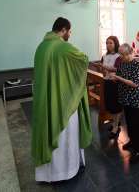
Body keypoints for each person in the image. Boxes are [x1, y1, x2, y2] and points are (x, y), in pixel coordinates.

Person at [32, 17, 92, 182]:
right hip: (64, 101)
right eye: (69, 31)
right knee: (65, 135)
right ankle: (66, 171)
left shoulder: (42, 47)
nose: (70, 34)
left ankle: (47, 174)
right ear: (64, 30)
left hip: (45, 99)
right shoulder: (63, 47)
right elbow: (83, 60)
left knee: (48, 129)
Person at [109, 44, 139, 164]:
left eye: (123, 54)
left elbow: (135, 84)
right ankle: (131, 142)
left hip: (135, 99)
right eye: (120, 54)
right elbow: (119, 76)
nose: (121, 57)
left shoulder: (136, 64)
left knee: (136, 125)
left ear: (130, 53)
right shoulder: (122, 63)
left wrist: (118, 78)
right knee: (129, 123)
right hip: (125, 98)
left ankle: (138, 151)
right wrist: (113, 78)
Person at [97, 36, 122, 139]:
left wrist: (104, 67)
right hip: (107, 81)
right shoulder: (104, 55)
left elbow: (117, 69)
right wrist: (101, 68)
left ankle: (116, 126)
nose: (108, 45)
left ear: (115, 44)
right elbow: (103, 70)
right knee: (110, 105)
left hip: (115, 82)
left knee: (116, 105)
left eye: (111, 43)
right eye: (107, 43)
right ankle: (115, 123)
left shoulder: (118, 56)